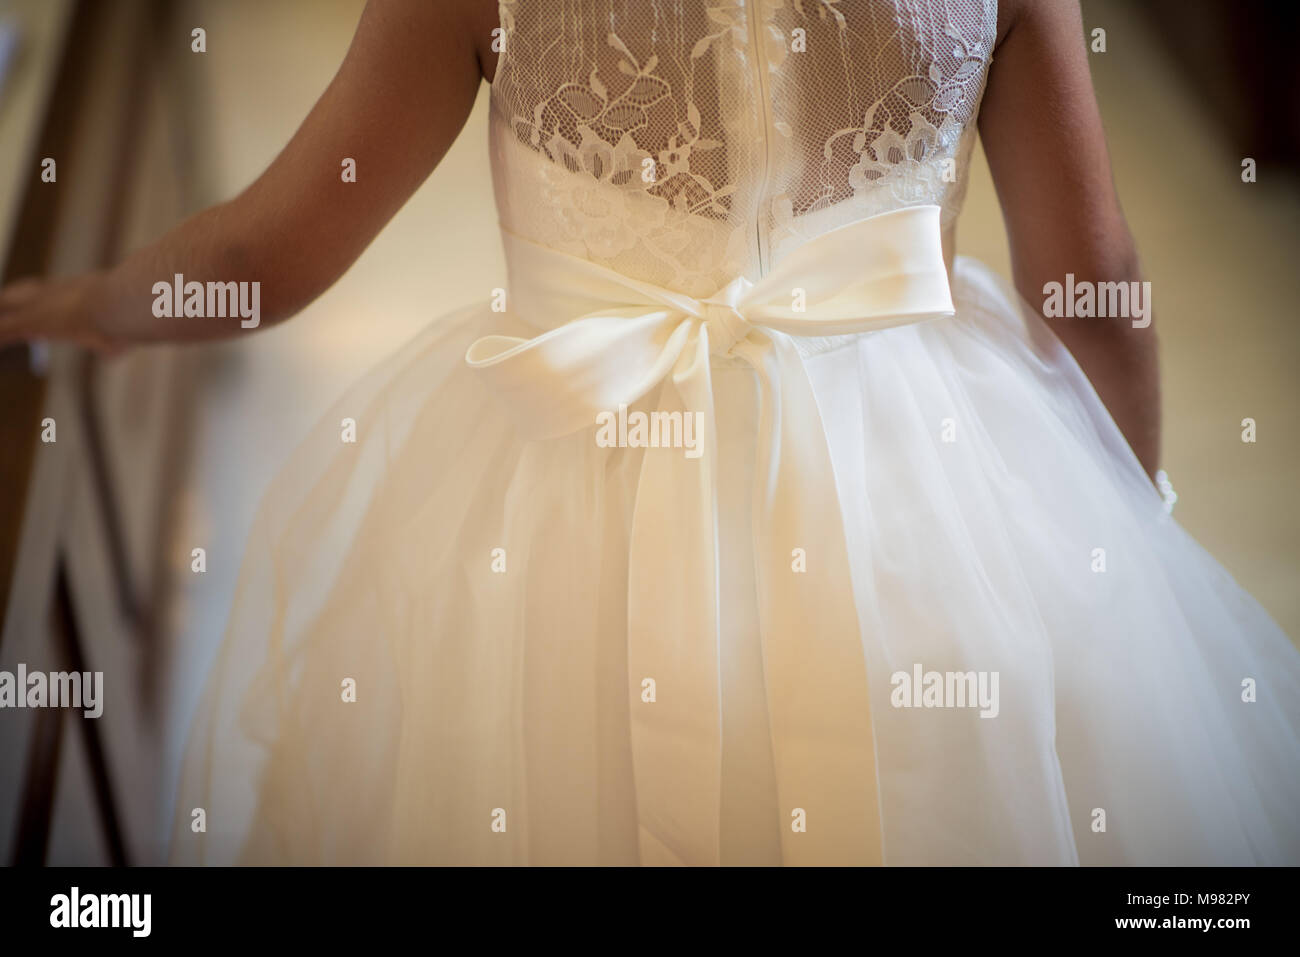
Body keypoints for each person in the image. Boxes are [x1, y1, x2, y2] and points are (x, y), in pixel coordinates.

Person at [2, 0, 1297, 865]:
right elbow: (1094, 280)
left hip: (567, 507)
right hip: (931, 498)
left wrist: (92, 304)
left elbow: (265, 253)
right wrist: (1119, 530)